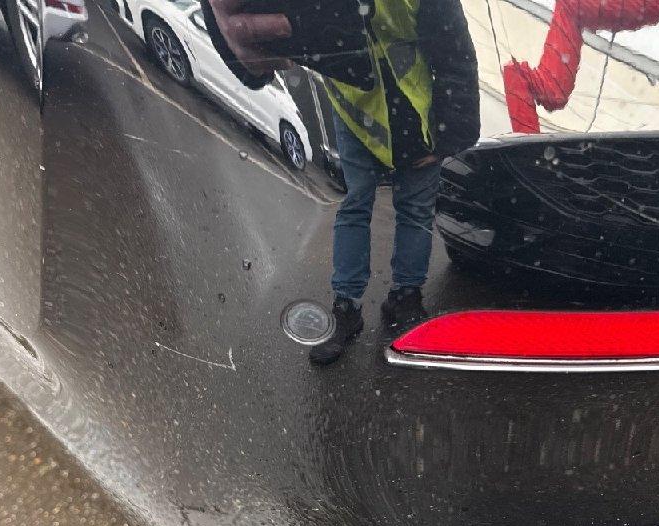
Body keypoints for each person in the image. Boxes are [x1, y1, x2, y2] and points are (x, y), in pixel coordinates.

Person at [203, 0, 480, 365]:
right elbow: (253, 38)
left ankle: (405, 298)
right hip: (356, 116)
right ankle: (346, 307)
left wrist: (450, 135)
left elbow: (455, 53)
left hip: (416, 117)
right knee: (357, 207)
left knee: (413, 212)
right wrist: (226, 24)